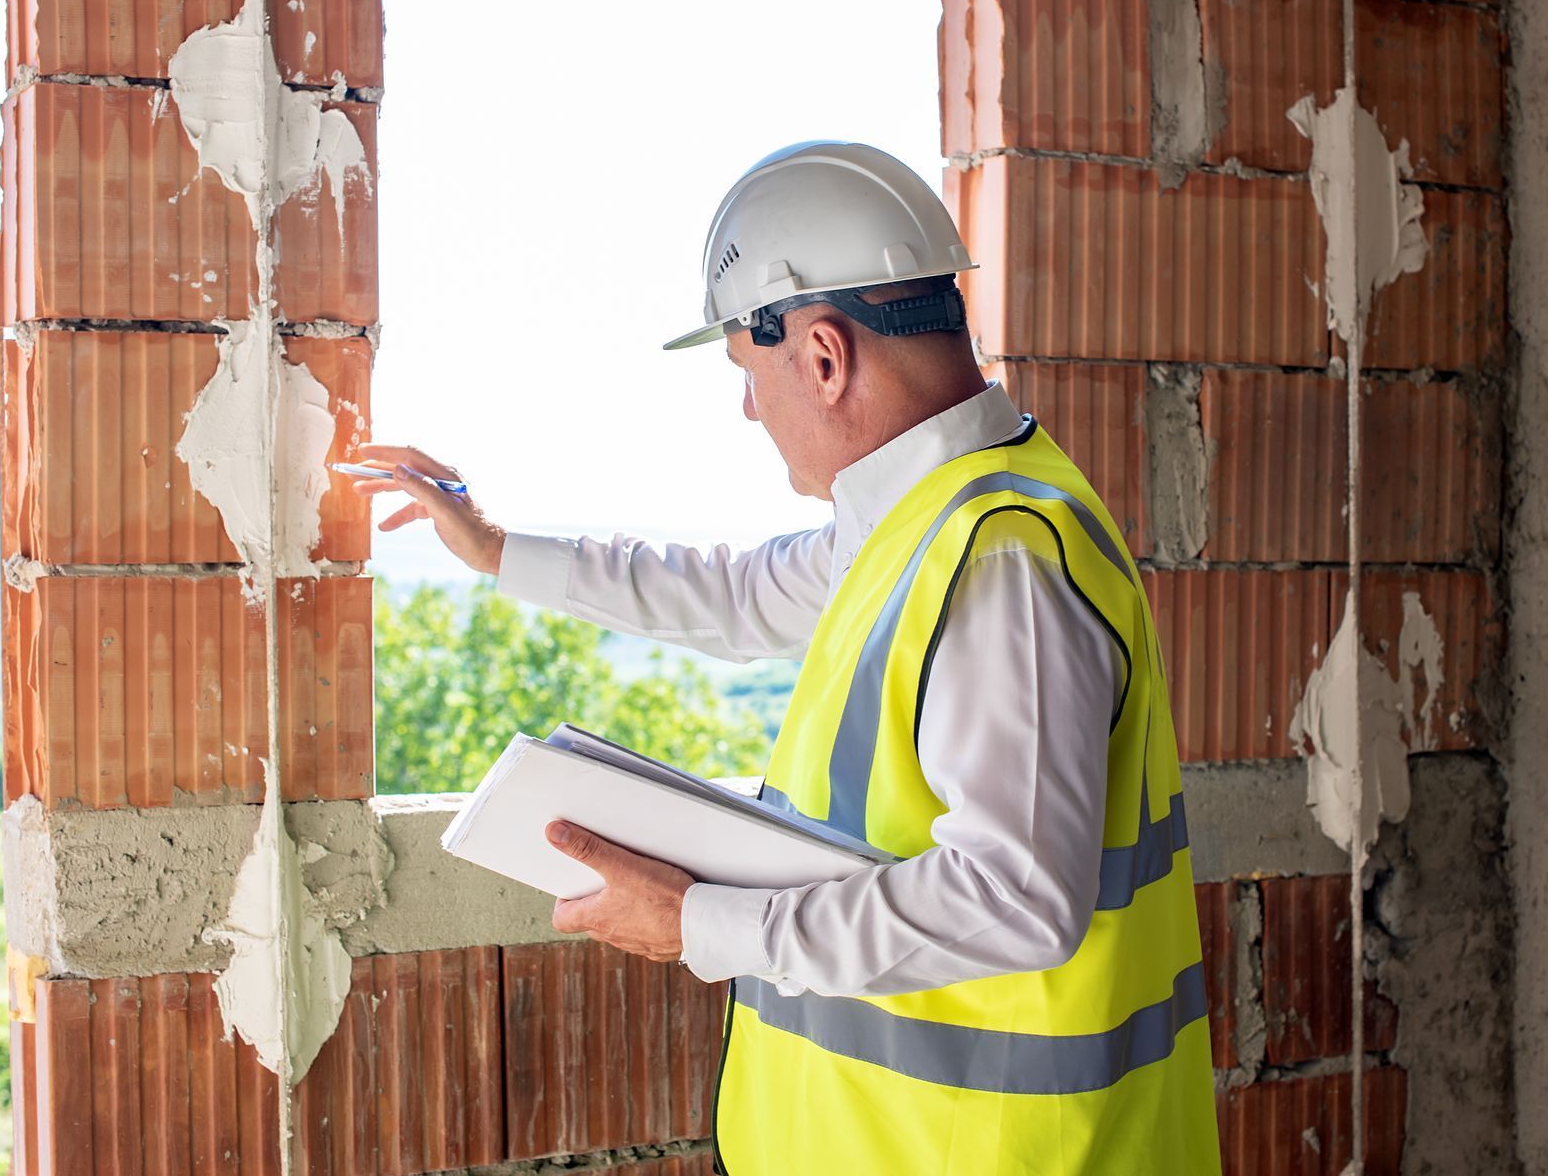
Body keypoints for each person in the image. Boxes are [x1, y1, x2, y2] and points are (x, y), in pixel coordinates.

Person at [354, 142, 1221, 1175]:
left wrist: (703, 923)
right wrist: (499, 551)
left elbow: (1014, 899)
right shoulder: (922, 522)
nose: (749, 409)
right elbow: (735, 594)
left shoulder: (1000, 562)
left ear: (821, 355)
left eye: (747, 374)